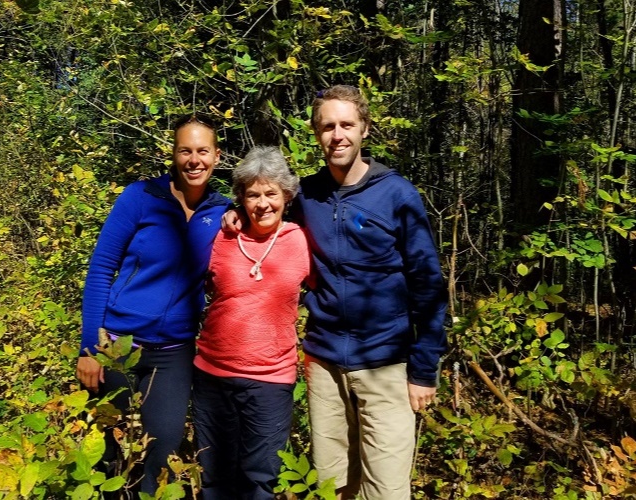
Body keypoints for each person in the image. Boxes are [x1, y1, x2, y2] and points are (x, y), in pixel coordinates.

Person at [223, 85, 447, 499]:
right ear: (316, 133)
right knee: (333, 485)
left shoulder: (397, 195)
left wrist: (424, 369)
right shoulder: (307, 195)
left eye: (347, 124)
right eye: (328, 126)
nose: (337, 135)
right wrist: (233, 210)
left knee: (387, 490)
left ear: (364, 129)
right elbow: (264, 203)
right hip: (324, 363)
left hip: (385, 364)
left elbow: (428, 284)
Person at [76, 114, 230, 496]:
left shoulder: (223, 212)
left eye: (203, 151)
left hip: (174, 352)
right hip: (118, 345)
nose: (194, 160)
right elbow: (100, 271)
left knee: (160, 454)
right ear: (174, 155)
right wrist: (88, 348)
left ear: (217, 156)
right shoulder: (140, 197)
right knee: (115, 456)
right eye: (185, 150)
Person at [192, 146, 310, 499]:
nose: (262, 204)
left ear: (286, 196)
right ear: (240, 198)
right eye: (252, 194)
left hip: (271, 381)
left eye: (271, 193)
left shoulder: (301, 241)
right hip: (213, 376)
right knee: (214, 479)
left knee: (261, 481)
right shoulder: (222, 236)